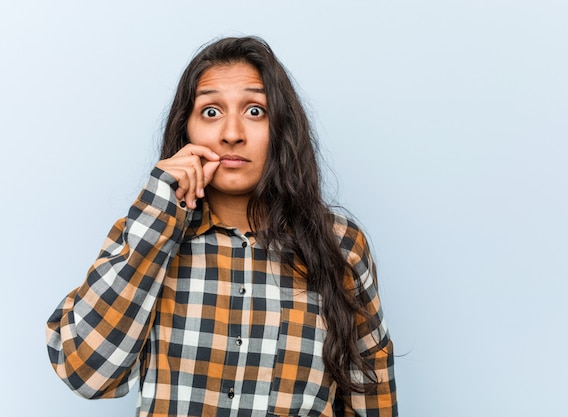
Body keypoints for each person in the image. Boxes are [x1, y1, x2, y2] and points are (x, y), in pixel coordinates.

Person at [46, 36, 398, 417]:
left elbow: (371, 396)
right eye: (211, 112)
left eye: (255, 111)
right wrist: (157, 210)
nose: (232, 133)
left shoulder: (340, 245)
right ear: (187, 131)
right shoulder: (147, 232)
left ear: (282, 127)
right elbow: (86, 372)